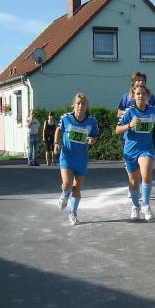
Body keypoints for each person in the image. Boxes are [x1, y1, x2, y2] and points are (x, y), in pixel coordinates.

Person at [116, 84, 155, 221]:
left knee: (146, 173)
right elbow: (117, 130)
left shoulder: (153, 110)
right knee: (133, 181)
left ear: (147, 96)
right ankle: (135, 206)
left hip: (146, 148)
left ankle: (146, 205)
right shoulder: (129, 112)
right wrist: (129, 125)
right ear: (133, 96)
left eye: (143, 93)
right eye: (138, 93)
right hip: (131, 150)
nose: (141, 96)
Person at [54, 93, 100, 226]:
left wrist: (92, 140)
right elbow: (58, 130)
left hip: (81, 159)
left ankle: (73, 213)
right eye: (78, 103)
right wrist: (56, 143)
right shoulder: (66, 118)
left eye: (83, 103)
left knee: (77, 188)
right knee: (67, 183)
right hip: (67, 156)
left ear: (87, 106)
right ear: (73, 104)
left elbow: (95, 137)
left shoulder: (92, 121)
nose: (80, 106)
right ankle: (64, 194)